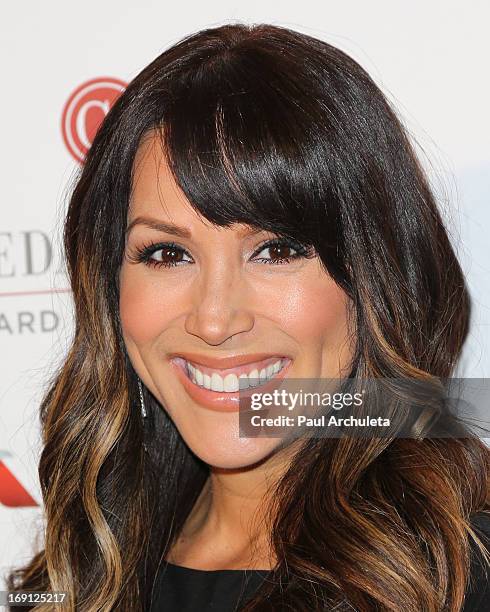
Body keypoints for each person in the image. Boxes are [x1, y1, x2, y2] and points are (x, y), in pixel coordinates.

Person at [6, 22, 490, 612]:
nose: (214, 320)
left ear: (374, 278)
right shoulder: (78, 567)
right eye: (167, 253)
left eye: (277, 251)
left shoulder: (458, 575)